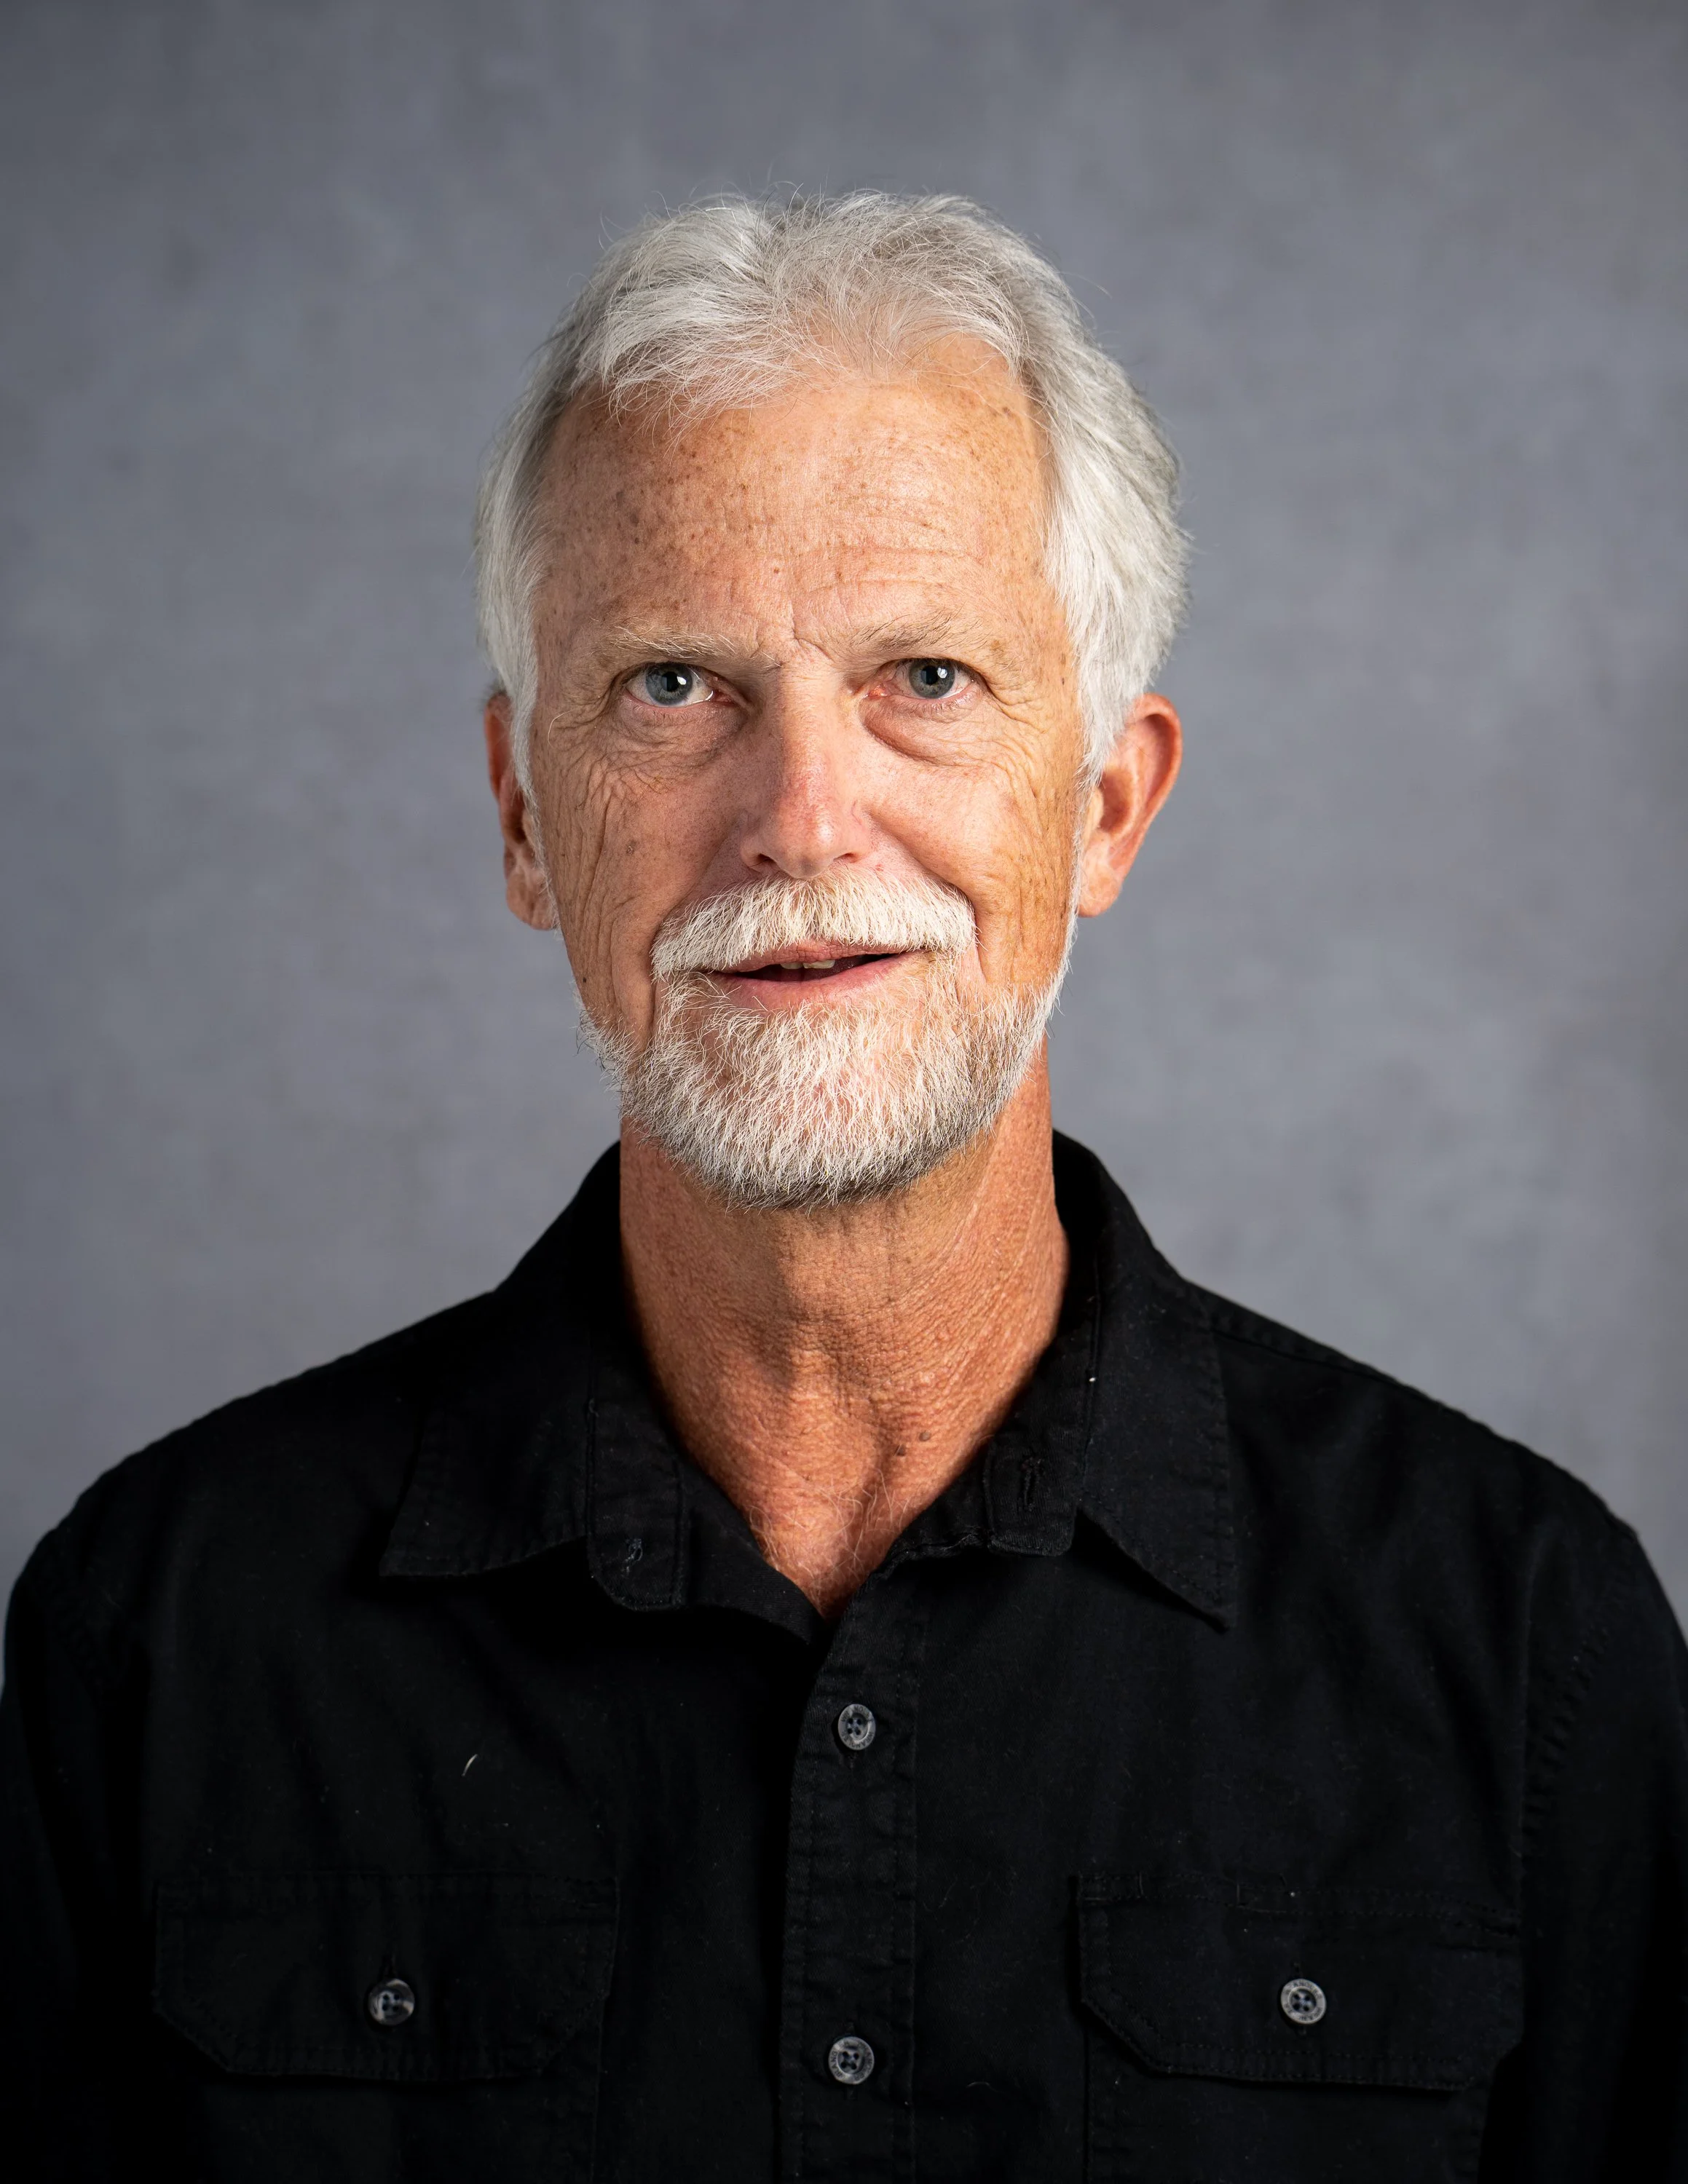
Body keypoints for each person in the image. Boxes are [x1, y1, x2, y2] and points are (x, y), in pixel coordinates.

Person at [2, 192, 1684, 2183]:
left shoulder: (1514, 1642)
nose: (799, 821)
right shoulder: (160, 1636)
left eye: (926, 679)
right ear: (525, 818)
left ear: (1107, 808)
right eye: (669, 689)